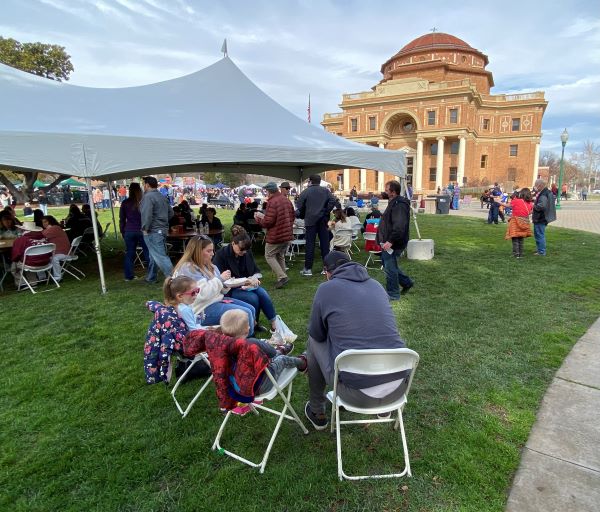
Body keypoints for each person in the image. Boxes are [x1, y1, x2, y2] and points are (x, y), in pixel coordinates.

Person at [304, 251, 408, 430]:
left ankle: (317, 410)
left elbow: (318, 334)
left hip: (356, 393)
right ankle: (384, 410)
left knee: (313, 340)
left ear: (327, 272)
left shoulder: (326, 289)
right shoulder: (376, 285)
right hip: (398, 389)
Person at [172, 235, 257, 336]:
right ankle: (246, 342)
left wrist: (226, 284)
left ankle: (247, 337)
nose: (212, 254)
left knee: (251, 308)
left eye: (212, 250)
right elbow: (201, 294)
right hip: (200, 309)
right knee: (245, 313)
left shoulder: (210, 266)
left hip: (216, 300)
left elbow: (220, 289)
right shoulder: (188, 268)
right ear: (197, 251)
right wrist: (220, 280)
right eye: (209, 251)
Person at [214, 226, 278, 332]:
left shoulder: (247, 253)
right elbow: (218, 278)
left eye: (246, 250)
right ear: (233, 243)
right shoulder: (221, 255)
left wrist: (254, 279)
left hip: (247, 286)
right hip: (229, 289)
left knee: (263, 293)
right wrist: (240, 281)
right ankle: (253, 325)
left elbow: (256, 271)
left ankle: (274, 322)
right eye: (241, 249)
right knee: (253, 298)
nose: (244, 252)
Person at [144, 276, 204, 384]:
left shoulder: (174, 307)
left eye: (197, 291)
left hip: (182, 344)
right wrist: (210, 331)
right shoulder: (184, 309)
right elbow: (194, 332)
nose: (196, 295)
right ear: (180, 296)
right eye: (193, 292)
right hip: (192, 344)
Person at [377, 180, 414, 301]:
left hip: (394, 242)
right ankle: (407, 283)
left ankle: (393, 293)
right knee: (389, 265)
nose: (385, 192)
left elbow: (399, 225)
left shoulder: (399, 204)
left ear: (393, 192)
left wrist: (390, 241)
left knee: (389, 268)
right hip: (389, 241)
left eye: (387, 190)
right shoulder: (393, 202)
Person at [254, 182, 295, 288]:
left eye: (266, 191)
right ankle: (282, 276)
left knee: (269, 255)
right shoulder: (286, 200)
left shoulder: (272, 202)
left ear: (269, 191)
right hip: (287, 233)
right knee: (280, 255)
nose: (266, 193)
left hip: (276, 234)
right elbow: (292, 216)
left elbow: (268, 222)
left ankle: (282, 277)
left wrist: (258, 219)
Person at [296, 174, 338, 276]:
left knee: (310, 245)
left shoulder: (306, 192)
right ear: (319, 181)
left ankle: (308, 268)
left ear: (310, 181)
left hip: (310, 220)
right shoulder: (325, 191)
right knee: (324, 244)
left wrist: (303, 214)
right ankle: (326, 268)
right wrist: (326, 211)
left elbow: (299, 205)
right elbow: (333, 200)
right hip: (322, 220)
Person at [140, 176, 174, 283]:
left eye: (143, 184)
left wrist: (145, 227)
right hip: (162, 229)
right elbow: (171, 213)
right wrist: (163, 222)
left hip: (153, 230)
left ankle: (174, 280)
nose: (142, 186)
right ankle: (151, 277)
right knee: (154, 254)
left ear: (147, 185)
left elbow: (147, 214)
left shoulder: (148, 197)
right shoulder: (161, 196)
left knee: (160, 256)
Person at [120, 182, 149, 282]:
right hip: (142, 230)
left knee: (130, 253)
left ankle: (129, 276)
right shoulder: (143, 202)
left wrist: (122, 231)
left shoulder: (125, 202)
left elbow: (122, 219)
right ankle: (151, 273)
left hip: (129, 230)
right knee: (147, 252)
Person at [10, 221, 50, 288]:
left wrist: (15, 259)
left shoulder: (21, 239)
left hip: (31, 264)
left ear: (24, 230)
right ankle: (33, 282)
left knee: (14, 266)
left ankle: (22, 284)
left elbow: (16, 255)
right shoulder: (44, 238)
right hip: (46, 263)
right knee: (28, 260)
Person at [503, 188, 533, 258]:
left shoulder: (516, 201)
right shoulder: (530, 203)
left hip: (516, 222)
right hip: (525, 222)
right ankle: (521, 254)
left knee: (515, 238)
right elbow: (531, 211)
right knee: (521, 239)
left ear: (521, 194)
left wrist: (498, 202)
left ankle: (516, 254)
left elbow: (508, 205)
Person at [532, 179, 557, 256]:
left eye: (536, 185)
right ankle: (540, 249)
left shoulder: (543, 194)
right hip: (544, 217)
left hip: (541, 217)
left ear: (540, 185)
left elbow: (542, 206)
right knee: (539, 234)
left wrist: (534, 206)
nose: (535, 187)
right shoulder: (547, 192)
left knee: (539, 234)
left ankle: (541, 251)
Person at [41, 215, 71, 281]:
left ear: (50, 221)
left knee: (53, 258)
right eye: (43, 222)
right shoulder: (55, 228)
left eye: (46, 222)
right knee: (40, 256)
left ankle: (57, 277)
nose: (44, 224)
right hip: (61, 251)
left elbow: (41, 235)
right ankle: (42, 277)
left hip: (63, 252)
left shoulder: (54, 228)